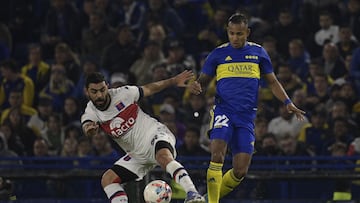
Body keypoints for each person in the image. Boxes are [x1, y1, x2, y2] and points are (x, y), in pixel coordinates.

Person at [187, 13, 306, 203]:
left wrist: (288, 102)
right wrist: (195, 85)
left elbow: (273, 82)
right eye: (232, 33)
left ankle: (206, 198)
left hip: (246, 118)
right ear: (227, 32)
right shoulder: (218, 54)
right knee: (217, 155)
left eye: (239, 34)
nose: (235, 38)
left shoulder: (259, 53)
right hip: (224, 111)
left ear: (247, 32)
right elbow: (203, 81)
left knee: (240, 171)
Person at [81, 71, 205, 203]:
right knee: (108, 179)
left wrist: (174, 80)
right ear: (86, 92)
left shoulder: (124, 93)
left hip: (154, 134)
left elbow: (150, 88)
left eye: (102, 90)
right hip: (137, 154)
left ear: (107, 86)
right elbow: (87, 126)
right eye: (94, 92)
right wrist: (90, 131)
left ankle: (193, 194)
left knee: (163, 156)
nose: (99, 95)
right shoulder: (91, 112)